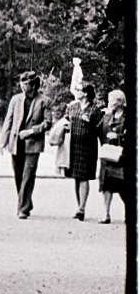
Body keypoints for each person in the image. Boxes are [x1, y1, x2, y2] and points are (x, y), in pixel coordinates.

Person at [0, 71, 49, 219]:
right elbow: (8, 120)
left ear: (33, 86)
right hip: (16, 143)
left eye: (25, 83)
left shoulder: (45, 101)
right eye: (21, 82)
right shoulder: (16, 100)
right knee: (18, 176)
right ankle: (26, 201)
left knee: (28, 176)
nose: (22, 86)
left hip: (33, 144)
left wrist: (32, 132)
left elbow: (48, 123)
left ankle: (23, 208)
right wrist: (3, 141)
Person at [52, 79, 101, 221]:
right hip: (72, 146)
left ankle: (82, 208)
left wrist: (89, 124)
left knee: (84, 177)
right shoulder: (72, 107)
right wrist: (65, 127)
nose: (76, 92)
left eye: (79, 90)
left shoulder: (95, 109)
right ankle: (79, 205)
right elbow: (66, 120)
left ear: (85, 93)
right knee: (76, 176)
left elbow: (99, 129)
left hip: (88, 147)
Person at [98, 89, 127, 224]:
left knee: (124, 187)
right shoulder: (107, 115)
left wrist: (119, 136)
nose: (109, 103)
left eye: (111, 100)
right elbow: (97, 130)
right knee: (106, 186)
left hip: (122, 156)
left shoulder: (129, 116)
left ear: (120, 102)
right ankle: (106, 213)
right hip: (108, 156)